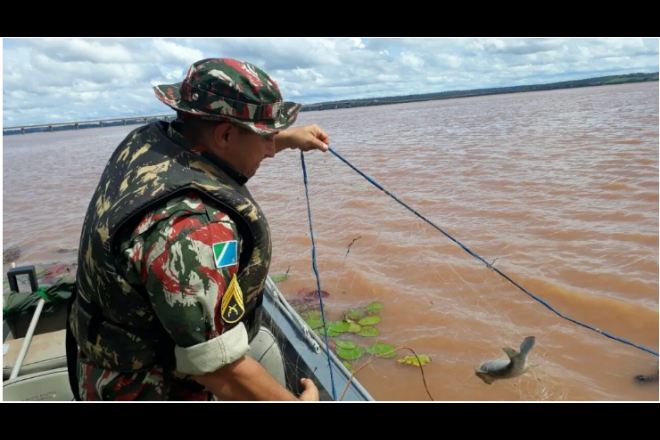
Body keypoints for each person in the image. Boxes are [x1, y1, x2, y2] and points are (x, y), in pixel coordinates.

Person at [65, 57, 330, 401]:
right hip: (145, 389)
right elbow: (219, 370)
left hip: (98, 360)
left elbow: (216, 147)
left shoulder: (149, 142)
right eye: (266, 136)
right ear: (224, 134)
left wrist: (288, 138)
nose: (271, 149)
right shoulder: (193, 229)